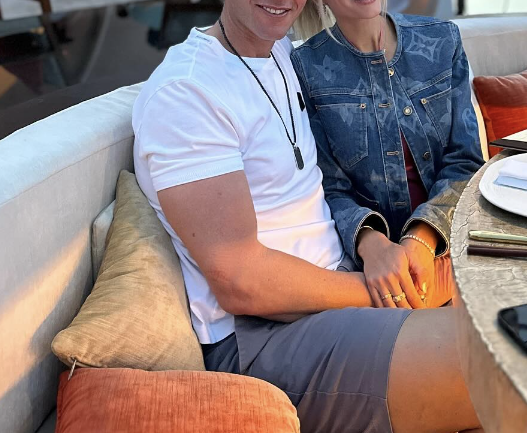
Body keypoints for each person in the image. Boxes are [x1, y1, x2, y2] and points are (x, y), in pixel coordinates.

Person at [132, 0, 483, 431]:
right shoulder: (187, 93)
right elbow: (241, 282)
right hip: (264, 336)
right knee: (500, 361)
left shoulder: (278, 53)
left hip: (334, 288)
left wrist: (397, 252)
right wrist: (387, 292)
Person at [291, 0, 483, 310]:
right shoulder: (304, 67)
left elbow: (466, 161)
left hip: (452, 243)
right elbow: (327, 187)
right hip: (370, 266)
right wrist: (371, 244)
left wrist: (422, 237)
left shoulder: (442, 39)